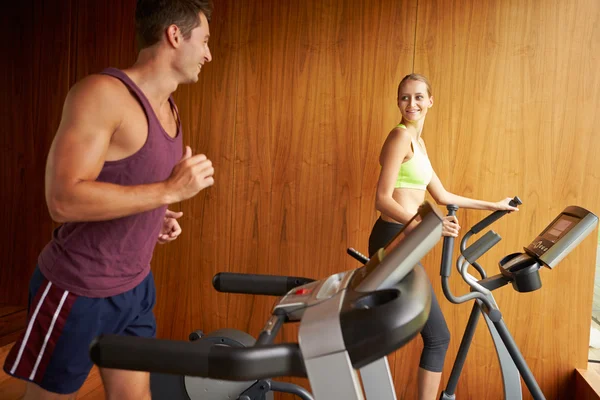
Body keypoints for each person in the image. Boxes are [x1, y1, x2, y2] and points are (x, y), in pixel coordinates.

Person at [2, 1, 215, 399]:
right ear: (174, 35)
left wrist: (156, 215)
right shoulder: (102, 94)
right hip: (78, 288)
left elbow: (123, 185)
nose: (208, 53)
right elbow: (63, 199)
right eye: (203, 41)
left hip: (135, 286)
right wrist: (167, 191)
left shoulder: (169, 109)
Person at [368, 73, 518, 400]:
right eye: (405, 97)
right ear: (398, 102)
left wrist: (495, 205)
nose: (412, 104)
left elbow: (443, 196)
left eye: (419, 97)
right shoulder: (399, 138)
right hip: (392, 240)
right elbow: (382, 199)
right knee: (437, 337)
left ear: (430, 101)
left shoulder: (418, 144)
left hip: (407, 239)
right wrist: (430, 227)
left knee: (433, 336)